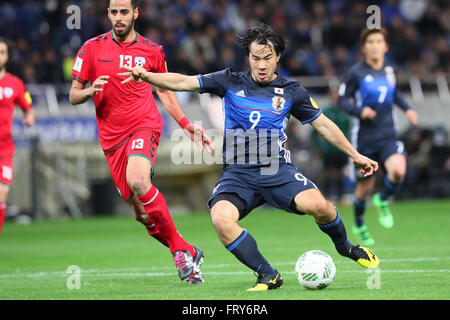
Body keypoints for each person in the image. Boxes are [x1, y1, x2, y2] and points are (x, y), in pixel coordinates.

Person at [118, 22, 380, 292]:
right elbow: (184, 82)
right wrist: (148, 77)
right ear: (249, 58)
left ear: (278, 57)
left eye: (267, 58)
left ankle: (346, 247)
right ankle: (268, 275)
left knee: (322, 207)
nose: (261, 64)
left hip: (276, 170)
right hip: (238, 174)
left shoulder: (292, 91)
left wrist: (356, 155)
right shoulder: (229, 80)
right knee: (220, 218)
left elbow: (323, 125)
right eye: (255, 58)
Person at [69, 0, 212, 285]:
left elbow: (166, 90)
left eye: (124, 12)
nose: (119, 17)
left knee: (138, 180)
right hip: (111, 139)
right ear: (108, 14)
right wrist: (88, 92)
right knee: (141, 215)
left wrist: (185, 124)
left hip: (143, 125)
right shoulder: (91, 48)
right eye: (114, 12)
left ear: (136, 13)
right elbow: (73, 94)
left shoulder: (152, 50)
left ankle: (181, 253)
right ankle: (185, 249)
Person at [338, 27, 418, 245]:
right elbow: (342, 100)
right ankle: (360, 224)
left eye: (379, 41)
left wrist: (408, 109)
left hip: (388, 135)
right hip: (364, 138)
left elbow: (394, 93)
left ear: (386, 46)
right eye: (370, 42)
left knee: (398, 171)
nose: (375, 45)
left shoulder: (390, 70)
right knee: (364, 188)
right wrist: (359, 110)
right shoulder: (356, 72)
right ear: (364, 47)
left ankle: (382, 200)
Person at [0, 38, 35, 235]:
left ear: (7, 56)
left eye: (2, 52)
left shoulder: (15, 84)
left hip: (4, 149)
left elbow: (28, 108)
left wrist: (29, 118)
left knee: (2, 194)